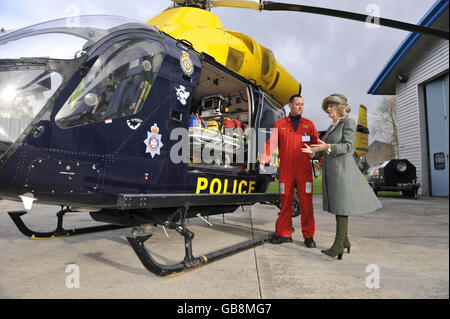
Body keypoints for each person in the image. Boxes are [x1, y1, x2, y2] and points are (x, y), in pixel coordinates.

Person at [302, 93, 382, 259]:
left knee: (342, 207)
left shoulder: (349, 123)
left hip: (343, 172)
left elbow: (347, 147)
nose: (328, 110)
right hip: (332, 172)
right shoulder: (332, 126)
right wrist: (312, 152)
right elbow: (323, 148)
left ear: (340, 107)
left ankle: (338, 244)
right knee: (338, 206)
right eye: (327, 107)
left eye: (331, 106)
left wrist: (325, 148)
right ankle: (344, 242)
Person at [260, 95, 319, 247]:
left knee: (306, 204)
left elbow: (317, 144)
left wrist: (320, 156)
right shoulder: (280, 124)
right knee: (285, 202)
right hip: (286, 171)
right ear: (290, 105)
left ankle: (309, 236)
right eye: (298, 104)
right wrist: (264, 159)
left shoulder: (309, 125)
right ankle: (283, 234)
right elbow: (271, 142)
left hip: (304, 171)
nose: (301, 107)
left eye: (302, 104)